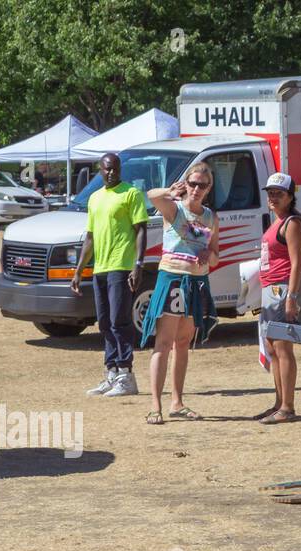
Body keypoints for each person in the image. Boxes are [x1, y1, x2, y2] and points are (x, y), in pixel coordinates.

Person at [139, 162, 219, 424]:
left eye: (202, 185)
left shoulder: (210, 217)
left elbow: (216, 256)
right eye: (193, 183)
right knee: (163, 342)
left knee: (183, 343)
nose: (196, 189)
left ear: (209, 189)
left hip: (196, 282)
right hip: (172, 278)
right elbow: (150, 195)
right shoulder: (174, 208)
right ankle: (155, 406)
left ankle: (177, 402)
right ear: (187, 183)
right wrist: (170, 191)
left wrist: (210, 255)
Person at [70, 152, 148, 397]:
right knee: (104, 322)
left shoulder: (131, 194)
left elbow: (141, 230)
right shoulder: (94, 198)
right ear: (99, 171)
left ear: (120, 169)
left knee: (119, 321)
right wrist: (79, 270)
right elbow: (90, 237)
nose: (110, 173)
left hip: (121, 266)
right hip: (100, 268)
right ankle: (112, 372)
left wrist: (138, 264)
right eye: (106, 169)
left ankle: (126, 374)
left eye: (114, 168)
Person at [255, 171, 301, 425]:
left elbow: (297, 263)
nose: (273, 197)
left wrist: (292, 297)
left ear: (290, 196)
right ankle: (279, 402)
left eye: (279, 193)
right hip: (271, 289)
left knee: (283, 347)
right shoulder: (276, 221)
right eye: (270, 193)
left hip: (283, 289)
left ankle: (287, 407)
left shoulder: (293, 224)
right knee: (272, 347)